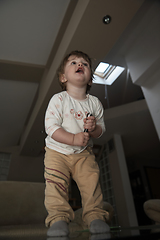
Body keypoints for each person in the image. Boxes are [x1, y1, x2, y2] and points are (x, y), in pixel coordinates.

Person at [44, 50, 110, 237]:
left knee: (91, 182)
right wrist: (72, 138)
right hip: (57, 152)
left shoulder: (95, 103)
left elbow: (100, 131)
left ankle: (95, 216)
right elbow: (51, 127)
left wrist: (95, 127)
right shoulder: (59, 99)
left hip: (83, 153)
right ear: (63, 77)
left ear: (90, 80)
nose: (79, 64)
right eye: (73, 62)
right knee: (56, 184)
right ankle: (58, 219)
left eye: (85, 63)